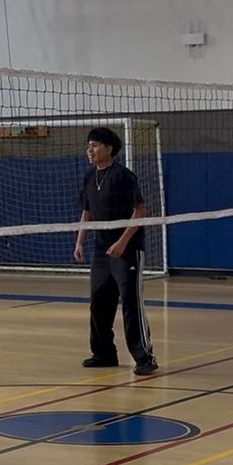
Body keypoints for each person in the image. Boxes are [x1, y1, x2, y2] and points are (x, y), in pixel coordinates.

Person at [73, 126, 157, 376]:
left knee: (131, 302)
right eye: (89, 145)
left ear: (109, 149)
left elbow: (140, 211)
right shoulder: (89, 177)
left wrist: (122, 242)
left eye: (95, 145)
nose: (90, 150)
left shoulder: (124, 176)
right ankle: (104, 354)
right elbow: (87, 212)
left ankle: (145, 357)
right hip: (101, 251)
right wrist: (80, 242)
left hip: (127, 249)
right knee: (99, 302)